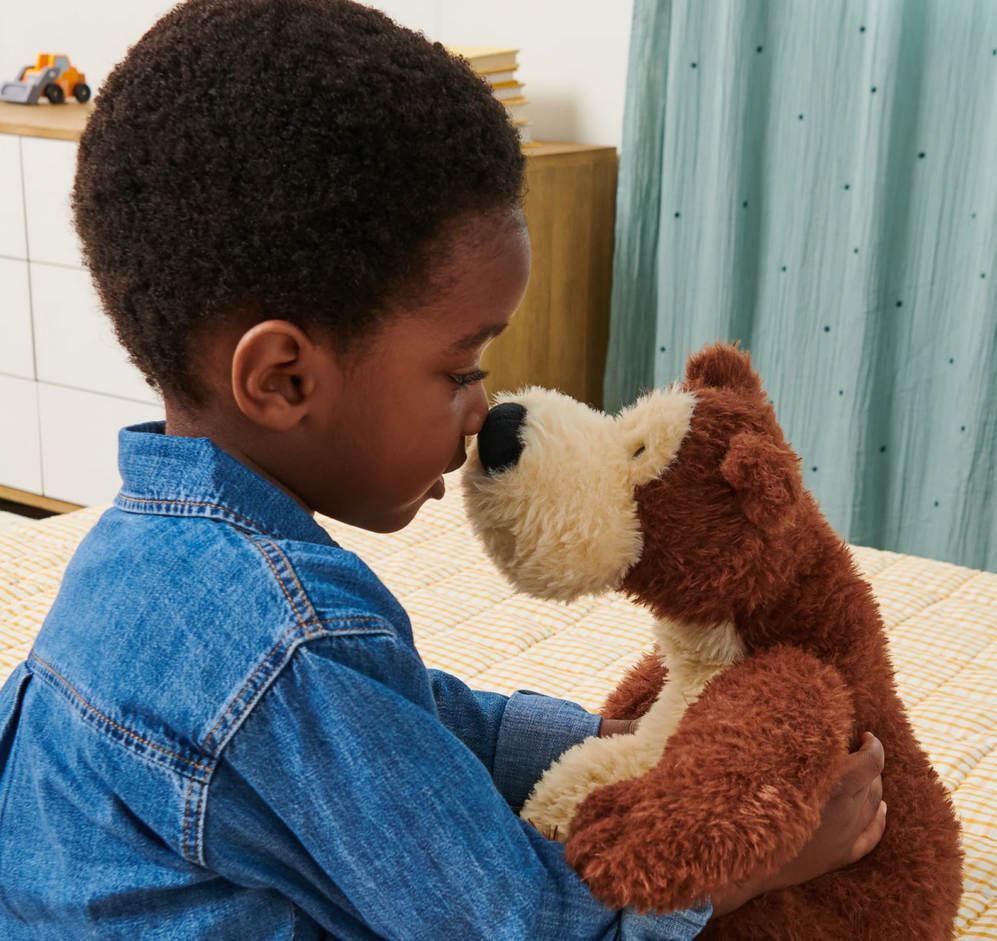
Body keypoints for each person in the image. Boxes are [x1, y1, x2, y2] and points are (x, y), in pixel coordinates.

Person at [0, 1, 886, 937]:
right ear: (284, 379)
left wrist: (606, 738)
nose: (481, 411)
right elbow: (515, 924)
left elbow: (407, 720)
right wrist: (751, 869)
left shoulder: (134, 553)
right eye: (460, 370)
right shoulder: (296, 644)